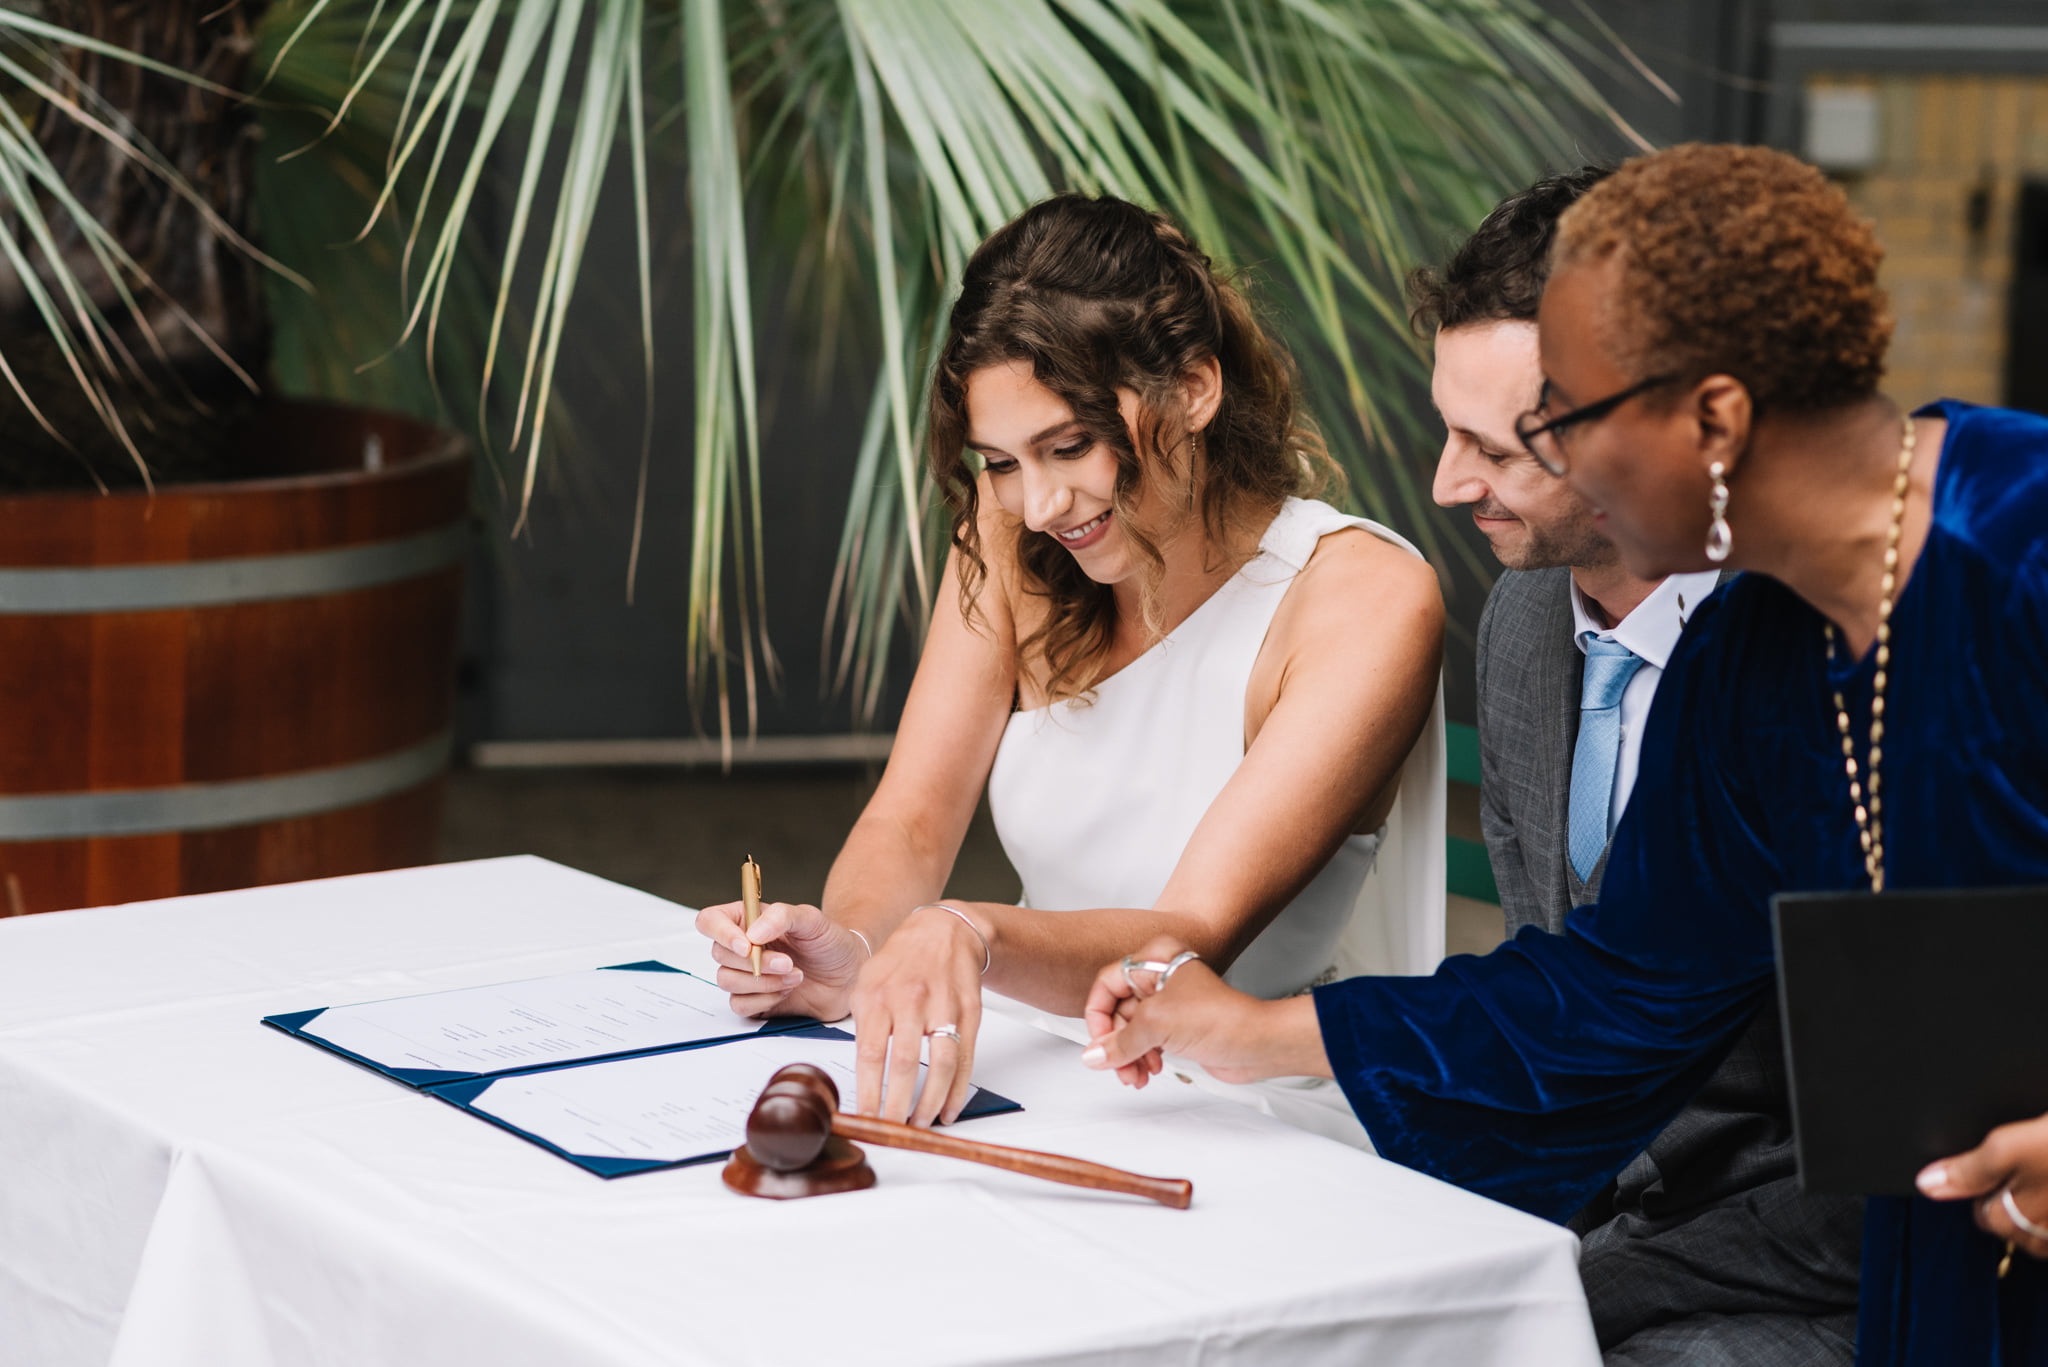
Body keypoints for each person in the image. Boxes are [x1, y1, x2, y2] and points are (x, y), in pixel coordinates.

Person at [1081, 144, 2048, 1364]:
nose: (1554, 476)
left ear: (1713, 418)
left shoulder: (2021, 534)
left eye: (1559, 425)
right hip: (1950, 1251)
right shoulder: (1744, 659)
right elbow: (1614, 992)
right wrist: (1245, 1029)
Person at [695, 194, 1447, 1133]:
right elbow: (914, 819)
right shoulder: (1008, 533)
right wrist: (855, 947)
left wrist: (972, 932)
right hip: (1030, 1066)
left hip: (1242, 1105)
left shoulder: (1361, 598)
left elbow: (1187, 938)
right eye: (1000, 461)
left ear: (1196, 389)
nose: (1039, 502)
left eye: (1069, 446)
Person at [1421, 168, 1860, 1360]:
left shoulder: (1837, 670)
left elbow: (1874, 1182)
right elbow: (1546, 992)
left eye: (1492, 446)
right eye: (1445, 430)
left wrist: (1582, 1287)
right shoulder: (1519, 624)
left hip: (1815, 1266)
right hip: (1592, 1214)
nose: (1445, 484)